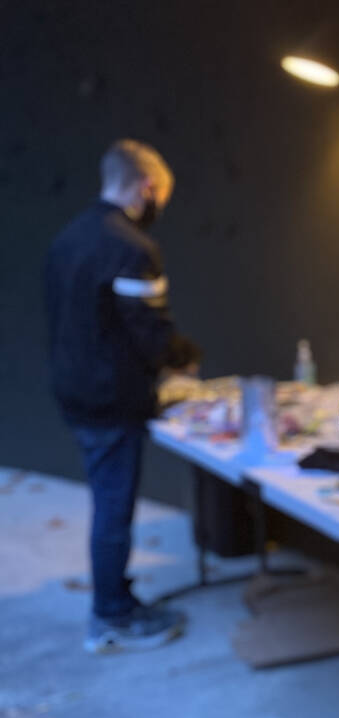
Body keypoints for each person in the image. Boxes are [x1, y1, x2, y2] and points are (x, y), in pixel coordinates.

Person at [44, 139, 201, 653]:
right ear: (147, 188)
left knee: (105, 499)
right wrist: (186, 359)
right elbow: (152, 333)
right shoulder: (131, 247)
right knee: (113, 507)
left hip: (74, 392)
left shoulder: (67, 239)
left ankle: (114, 595)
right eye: (161, 199)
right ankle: (110, 616)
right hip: (111, 400)